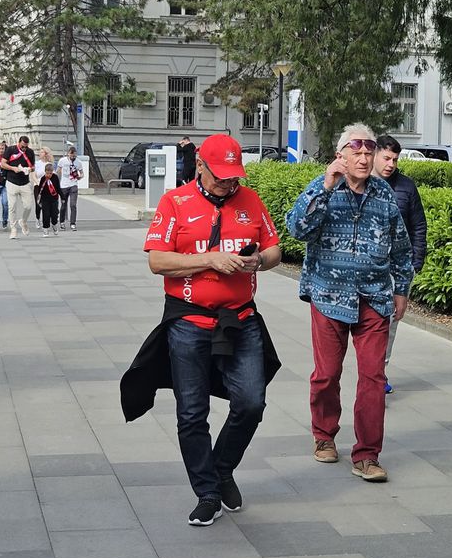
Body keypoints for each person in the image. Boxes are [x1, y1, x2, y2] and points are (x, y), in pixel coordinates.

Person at [125, 133, 283, 527]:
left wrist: (258, 261)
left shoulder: (249, 200)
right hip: (189, 321)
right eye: (221, 177)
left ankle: (221, 466)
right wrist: (210, 260)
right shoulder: (175, 202)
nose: (229, 184)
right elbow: (158, 261)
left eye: (234, 177)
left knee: (251, 402)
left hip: (241, 320)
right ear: (200, 165)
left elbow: (275, 249)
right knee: (192, 412)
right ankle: (207, 490)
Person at [285, 123, 413, 483]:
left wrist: (401, 289)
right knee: (327, 374)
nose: (363, 157)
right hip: (328, 297)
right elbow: (296, 229)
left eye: (368, 151)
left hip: (374, 297)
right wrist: (324, 186)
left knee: (373, 377)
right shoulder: (324, 188)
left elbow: (401, 247)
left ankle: (367, 454)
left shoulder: (384, 195)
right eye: (355, 151)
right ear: (340, 155)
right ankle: (324, 435)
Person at [374, 135, 428, 394]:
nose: (391, 164)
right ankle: (370, 369)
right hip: (368, 269)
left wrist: (415, 263)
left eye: (395, 159)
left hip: (398, 269)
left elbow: (418, 225)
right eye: (386, 158)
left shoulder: (406, 187)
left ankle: (379, 372)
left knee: (390, 323)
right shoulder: (362, 184)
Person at [3, 135, 35, 239]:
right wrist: (13, 168)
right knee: (12, 206)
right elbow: (3, 164)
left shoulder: (30, 152)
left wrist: (28, 170)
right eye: (22, 146)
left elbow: (33, 167)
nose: (24, 148)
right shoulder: (10, 150)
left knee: (28, 206)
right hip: (11, 181)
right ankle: (13, 228)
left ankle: (23, 221)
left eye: (25, 146)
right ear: (19, 143)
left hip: (25, 182)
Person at [58, 146, 83, 230]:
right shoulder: (62, 161)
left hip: (73, 184)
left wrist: (80, 177)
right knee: (63, 205)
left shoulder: (78, 162)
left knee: (73, 204)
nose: (73, 157)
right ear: (68, 154)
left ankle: (73, 223)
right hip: (64, 185)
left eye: (74, 156)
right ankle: (62, 221)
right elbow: (58, 170)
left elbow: (82, 173)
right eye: (71, 156)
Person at [33, 146, 55, 229]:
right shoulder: (37, 163)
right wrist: (37, 182)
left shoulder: (49, 164)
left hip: (47, 186)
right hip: (38, 186)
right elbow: (34, 175)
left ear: (46, 154)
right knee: (38, 204)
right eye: (40, 152)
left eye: (42, 152)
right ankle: (37, 218)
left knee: (46, 204)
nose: (40, 153)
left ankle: (45, 220)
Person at [38, 162, 61, 235]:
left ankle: (54, 224)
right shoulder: (43, 179)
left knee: (54, 215)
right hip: (45, 200)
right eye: (47, 173)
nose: (49, 175)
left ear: (52, 172)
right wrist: (39, 200)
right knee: (46, 214)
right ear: (45, 172)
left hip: (54, 199)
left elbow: (58, 188)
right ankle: (45, 228)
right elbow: (40, 190)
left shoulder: (55, 177)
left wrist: (62, 197)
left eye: (50, 173)